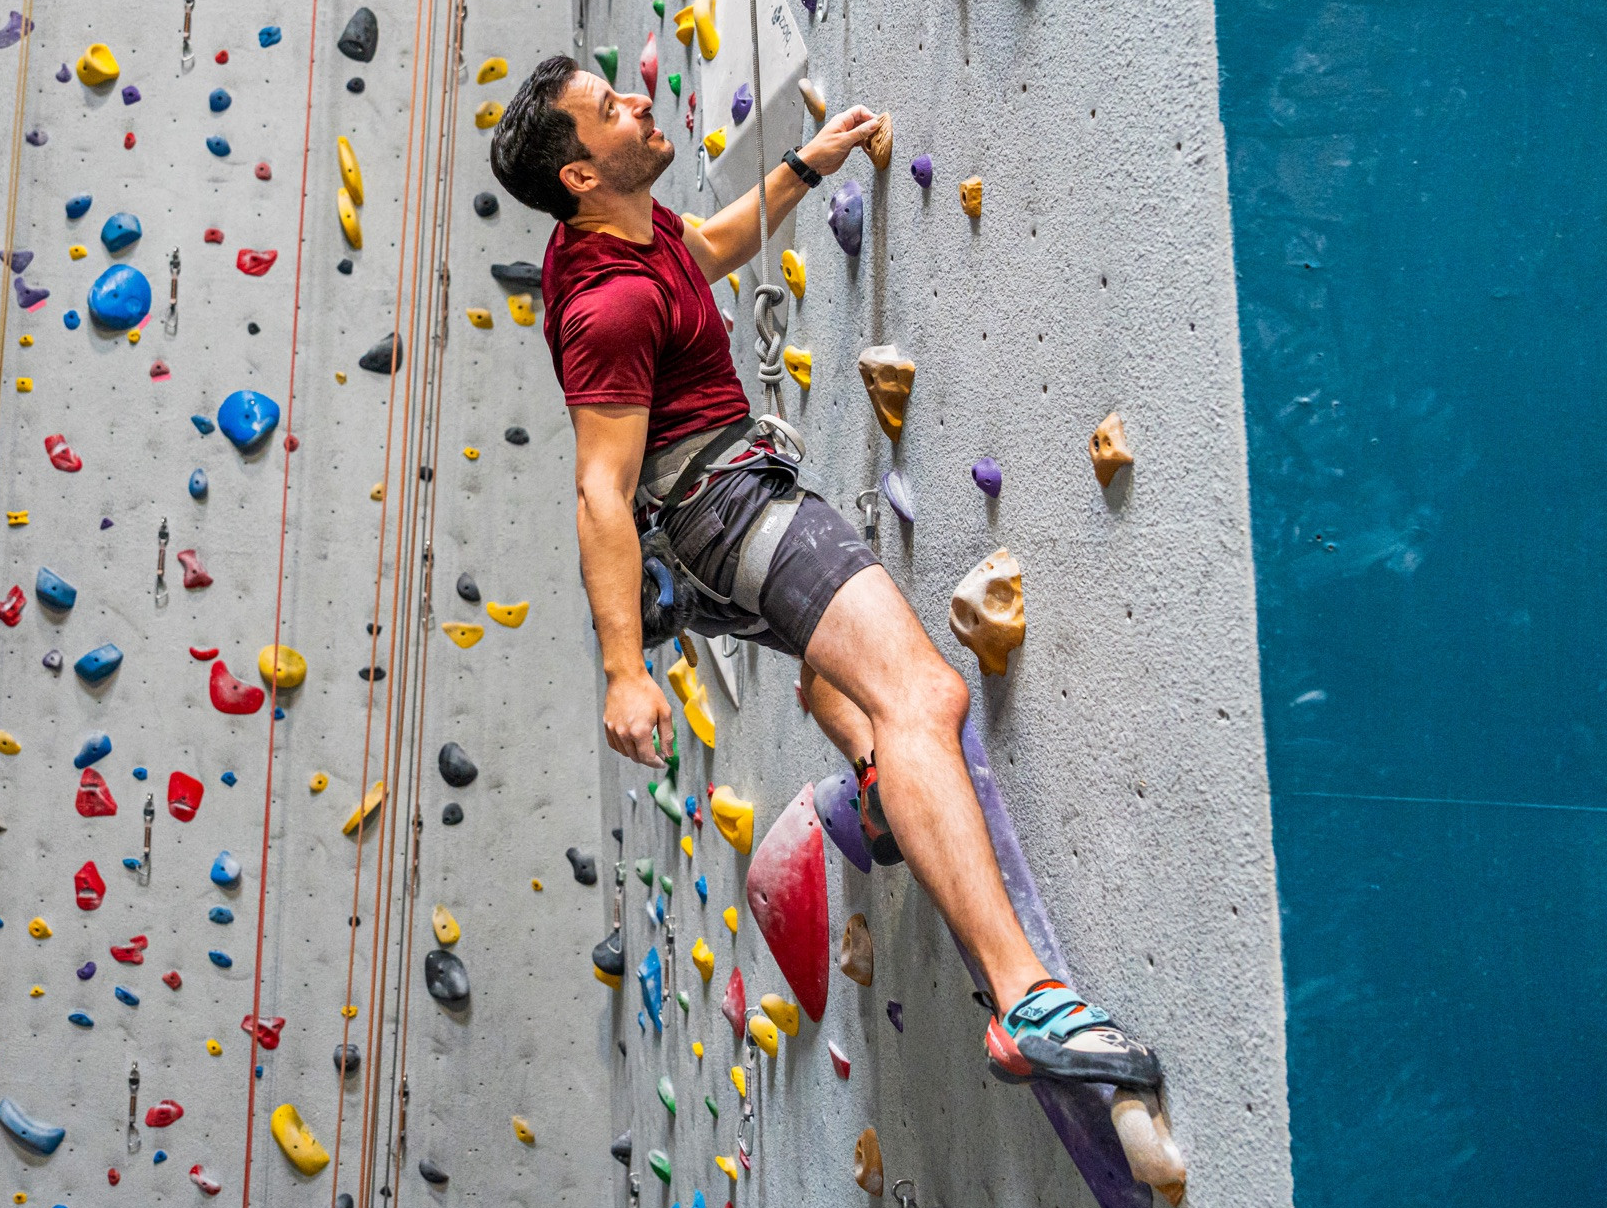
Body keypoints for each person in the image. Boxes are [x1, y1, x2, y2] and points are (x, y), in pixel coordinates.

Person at [486, 56, 1161, 1091]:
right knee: (923, 695)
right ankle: (1027, 1000)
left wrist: (805, 164)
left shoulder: (627, 231)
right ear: (580, 174)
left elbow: (707, 248)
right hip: (731, 511)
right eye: (610, 109)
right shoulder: (605, 308)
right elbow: (599, 493)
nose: (638, 104)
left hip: (715, 521)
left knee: (831, 672)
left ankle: (888, 796)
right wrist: (624, 671)